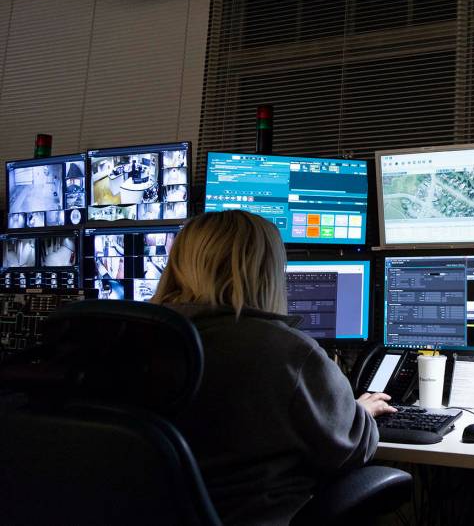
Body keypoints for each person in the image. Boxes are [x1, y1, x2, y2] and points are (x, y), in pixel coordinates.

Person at [151, 210, 395, 525]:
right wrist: (360, 412)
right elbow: (351, 450)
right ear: (266, 272)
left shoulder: (137, 342)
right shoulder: (285, 351)